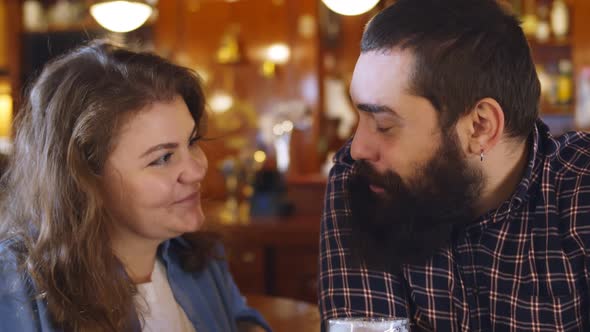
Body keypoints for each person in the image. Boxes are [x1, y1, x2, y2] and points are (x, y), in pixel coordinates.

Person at [319, 0, 590, 331]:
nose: (357, 148)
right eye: (359, 116)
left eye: (384, 124)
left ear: (479, 126)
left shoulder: (579, 185)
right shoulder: (364, 182)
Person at [0, 40, 270, 332]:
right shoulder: (15, 286)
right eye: (163, 158)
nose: (196, 170)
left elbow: (240, 319)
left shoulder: (198, 256)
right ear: (83, 179)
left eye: (192, 142)